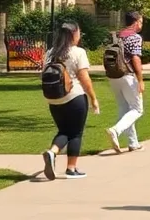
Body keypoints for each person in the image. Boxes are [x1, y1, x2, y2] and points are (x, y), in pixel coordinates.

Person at [41, 21, 100, 181]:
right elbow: (84, 78)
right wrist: (93, 98)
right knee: (76, 133)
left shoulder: (50, 52)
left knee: (64, 130)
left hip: (54, 99)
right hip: (74, 96)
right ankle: (71, 168)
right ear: (73, 34)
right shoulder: (78, 52)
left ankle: (52, 152)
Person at [105, 10, 145, 153]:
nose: (141, 24)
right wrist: (140, 79)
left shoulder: (117, 35)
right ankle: (116, 130)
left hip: (113, 75)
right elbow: (135, 58)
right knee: (137, 109)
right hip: (127, 75)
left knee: (124, 108)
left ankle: (133, 142)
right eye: (141, 21)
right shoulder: (135, 37)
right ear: (135, 21)